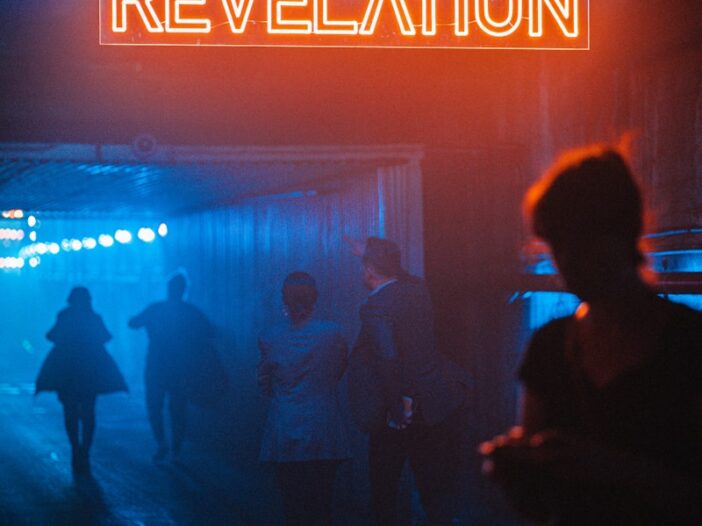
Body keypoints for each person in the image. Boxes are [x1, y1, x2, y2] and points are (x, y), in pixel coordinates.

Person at [480, 145, 702, 524]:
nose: (566, 259)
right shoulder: (550, 347)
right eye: (557, 244)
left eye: (580, 241)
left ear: (624, 231)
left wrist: (615, 469)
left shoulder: (689, 346)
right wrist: (513, 474)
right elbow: (537, 509)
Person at [347, 237, 468, 526]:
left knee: (383, 486)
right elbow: (402, 275)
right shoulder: (418, 289)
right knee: (432, 485)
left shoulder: (376, 307)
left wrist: (395, 410)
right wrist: (373, 254)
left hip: (399, 410)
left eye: (363, 266)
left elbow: (386, 360)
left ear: (370, 269)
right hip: (434, 404)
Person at [257, 272, 350, 526]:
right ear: (315, 299)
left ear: (283, 300)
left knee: (293, 504)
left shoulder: (270, 338)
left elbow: (265, 385)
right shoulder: (333, 334)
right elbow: (339, 371)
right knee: (322, 503)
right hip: (324, 427)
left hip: (286, 429)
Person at [35, 287, 127, 474]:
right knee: (88, 411)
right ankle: (84, 450)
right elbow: (106, 336)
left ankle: (76, 448)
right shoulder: (94, 317)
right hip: (89, 370)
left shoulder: (64, 315)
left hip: (66, 370)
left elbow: (50, 335)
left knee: (70, 411)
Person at [129, 272, 213, 462]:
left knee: (154, 405)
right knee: (178, 407)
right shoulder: (191, 311)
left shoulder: (156, 309)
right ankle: (176, 447)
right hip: (180, 365)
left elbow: (133, 323)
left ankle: (162, 443)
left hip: (156, 364)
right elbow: (209, 332)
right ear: (184, 290)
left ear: (168, 289)